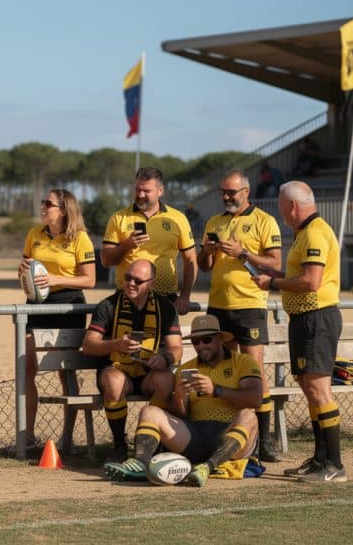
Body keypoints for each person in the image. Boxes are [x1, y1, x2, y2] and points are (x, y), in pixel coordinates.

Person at [253, 181, 346, 482]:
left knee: (319, 390)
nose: (279, 211)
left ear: (292, 205)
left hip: (316, 318)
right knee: (310, 389)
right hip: (305, 319)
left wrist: (274, 284)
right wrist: (276, 276)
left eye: (280, 204)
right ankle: (321, 460)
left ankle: (335, 465)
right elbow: (299, 276)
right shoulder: (304, 233)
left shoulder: (315, 232)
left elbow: (311, 282)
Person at [103, 315, 262, 487]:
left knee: (248, 416)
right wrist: (179, 397)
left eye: (206, 340)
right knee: (149, 412)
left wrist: (217, 390)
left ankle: (208, 467)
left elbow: (255, 399)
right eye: (195, 342)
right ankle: (140, 464)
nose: (200, 346)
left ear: (219, 339)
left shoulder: (243, 362)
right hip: (196, 434)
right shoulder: (186, 368)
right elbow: (181, 414)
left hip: (229, 433)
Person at [197, 170, 283, 462]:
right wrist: (207, 252)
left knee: (254, 372)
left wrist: (243, 253)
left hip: (249, 306)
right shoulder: (214, 221)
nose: (226, 197)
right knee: (224, 370)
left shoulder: (264, 221)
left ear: (246, 191)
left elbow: (275, 264)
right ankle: (229, 433)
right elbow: (204, 266)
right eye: (223, 191)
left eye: (232, 192)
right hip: (218, 306)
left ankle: (265, 439)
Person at [82, 259, 183, 463]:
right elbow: (89, 345)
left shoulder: (165, 307)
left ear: (151, 283)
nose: (131, 283)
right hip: (116, 369)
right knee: (114, 381)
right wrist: (116, 345)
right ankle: (119, 444)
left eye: (138, 280)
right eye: (128, 278)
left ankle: (148, 441)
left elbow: (176, 348)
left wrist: (165, 358)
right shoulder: (108, 305)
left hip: (147, 373)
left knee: (165, 380)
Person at [19, 188, 96, 442]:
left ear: (63, 209)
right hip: (36, 304)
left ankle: (67, 437)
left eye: (48, 203)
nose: (43, 206)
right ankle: (27, 436)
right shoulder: (34, 234)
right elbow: (26, 268)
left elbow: (90, 280)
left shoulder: (80, 238)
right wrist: (23, 272)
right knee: (26, 368)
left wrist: (54, 279)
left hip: (67, 306)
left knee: (67, 372)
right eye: (43, 201)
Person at [100, 167, 197, 319]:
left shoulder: (178, 218)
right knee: (127, 343)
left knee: (166, 344)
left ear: (160, 191)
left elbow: (190, 259)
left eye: (146, 191)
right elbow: (106, 260)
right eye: (137, 189)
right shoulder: (118, 217)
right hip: (127, 297)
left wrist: (185, 296)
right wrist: (127, 245)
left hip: (166, 298)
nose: (140, 195)